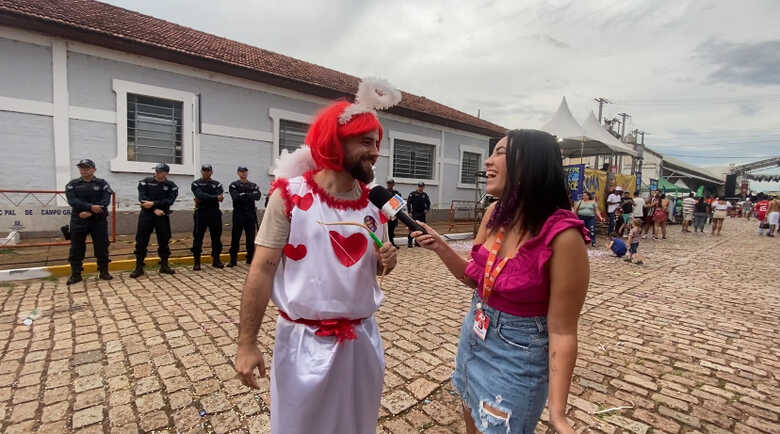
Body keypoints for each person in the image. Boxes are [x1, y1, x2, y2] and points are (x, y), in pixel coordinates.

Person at [234, 78, 400, 434]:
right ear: (335, 142)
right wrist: (246, 344)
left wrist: (385, 260)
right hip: (302, 345)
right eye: (365, 142)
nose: (375, 152)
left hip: (361, 342)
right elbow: (262, 270)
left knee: (357, 427)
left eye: (377, 143)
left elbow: (370, 267)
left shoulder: (373, 204)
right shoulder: (290, 197)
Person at [412, 129, 589, 434]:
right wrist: (441, 246)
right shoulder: (495, 213)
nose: (488, 162)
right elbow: (476, 279)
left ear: (531, 163)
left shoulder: (563, 237)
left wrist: (558, 415)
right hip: (474, 335)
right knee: (471, 418)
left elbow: (562, 330)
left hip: (516, 356)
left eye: (500, 153)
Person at [65, 159, 113, 285]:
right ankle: (76, 274)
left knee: (101, 246)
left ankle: (104, 272)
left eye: (86, 168)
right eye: (81, 168)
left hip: (98, 220)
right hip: (79, 219)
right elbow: (72, 201)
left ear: (93, 169)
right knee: (76, 248)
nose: (84, 170)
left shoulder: (102, 183)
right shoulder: (72, 184)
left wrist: (90, 212)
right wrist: (90, 207)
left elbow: (105, 201)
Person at [129, 163, 179, 278]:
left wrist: (154, 204)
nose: (157, 173)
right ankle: (139, 267)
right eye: (156, 171)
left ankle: (164, 265)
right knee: (141, 241)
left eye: (160, 171)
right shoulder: (145, 182)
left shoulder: (171, 185)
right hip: (147, 216)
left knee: (164, 240)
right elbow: (142, 199)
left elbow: (170, 200)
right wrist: (155, 209)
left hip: (162, 216)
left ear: (166, 173)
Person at [191, 164, 225, 270]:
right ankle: (197, 262)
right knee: (198, 237)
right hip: (201, 212)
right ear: (201, 172)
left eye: (208, 170)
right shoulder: (196, 183)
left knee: (216, 237)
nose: (206, 172)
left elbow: (219, 196)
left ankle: (216, 260)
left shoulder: (217, 184)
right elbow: (200, 195)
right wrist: (215, 197)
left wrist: (205, 198)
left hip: (214, 213)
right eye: (204, 170)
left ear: (211, 172)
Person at [228, 166, 263, 266]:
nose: (243, 173)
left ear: (247, 173)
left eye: (245, 171)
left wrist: (243, 195)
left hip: (250, 214)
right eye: (241, 172)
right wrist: (249, 195)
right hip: (238, 214)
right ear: (238, 173)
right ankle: (233, 259)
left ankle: (250, 258)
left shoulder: (253, 185)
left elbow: (258, 196)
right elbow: (235, 197)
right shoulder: (234, 185)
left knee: (250, 238)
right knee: (235, 237)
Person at [407, 181, 430, 247]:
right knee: (412, 228)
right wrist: (409, 212)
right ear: (418, 186)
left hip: (422, 214)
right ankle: (410, 242)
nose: (420, 188)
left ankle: (418, 242)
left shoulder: (424, 195)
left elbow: (428, 203)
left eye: (421, 186)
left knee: (421, 228)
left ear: (423, 187)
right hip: (414, 213)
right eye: (419, 186)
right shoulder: (413, 194)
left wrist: (427, 209)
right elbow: (408, 203)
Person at [385, 179, 401, 249]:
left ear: (393, 184)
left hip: (393, 214)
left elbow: (399, 203)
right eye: (388, 183)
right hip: (385, 214)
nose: (389, 185)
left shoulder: (396, 193)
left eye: (391, 183)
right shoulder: (383, 192)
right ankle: (387, 244)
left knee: (392, 230)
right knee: (386, 230)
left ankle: (391, 243)